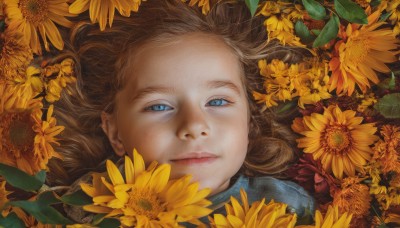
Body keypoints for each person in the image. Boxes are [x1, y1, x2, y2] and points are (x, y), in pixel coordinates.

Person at [49, 0, 315, 224]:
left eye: (218, 102)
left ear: (249, 121)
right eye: (159, 106)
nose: (194, 125)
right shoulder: (91, 204)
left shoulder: (286, 207)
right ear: (115, 131)